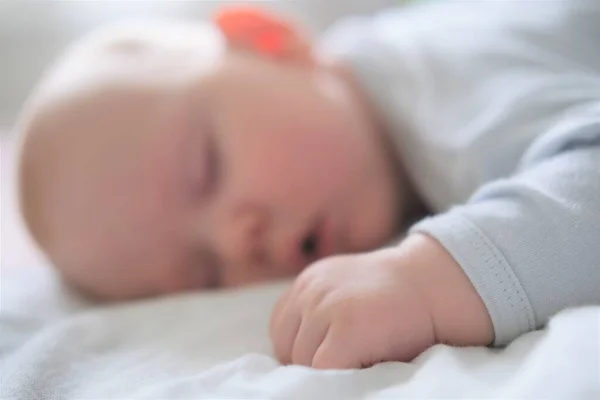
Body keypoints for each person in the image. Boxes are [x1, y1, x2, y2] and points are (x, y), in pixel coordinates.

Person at [16, 0, 600, 369]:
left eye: (208, 169)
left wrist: (430, 278)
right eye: (204, 272)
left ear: (268, 38)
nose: (234, 238)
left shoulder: (448, 82)